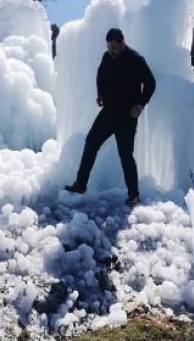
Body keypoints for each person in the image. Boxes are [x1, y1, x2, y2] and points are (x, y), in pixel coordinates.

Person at [64, 28, 156, 207]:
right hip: (108, 112)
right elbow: (100, 76)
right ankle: (80, 184)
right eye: (108, 47)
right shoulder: (107, 58)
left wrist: (140, 105)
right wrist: (100, 94)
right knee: (91, 142)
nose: (111, 51)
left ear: (122, 43)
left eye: (114, 47)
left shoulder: (136, 60)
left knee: (125, 155)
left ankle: (134, 194)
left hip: (127, 116)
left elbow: (151, 83)